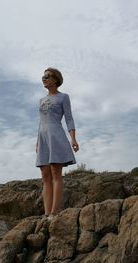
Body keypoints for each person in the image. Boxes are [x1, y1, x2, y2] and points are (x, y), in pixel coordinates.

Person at [36, 67, 79, 221]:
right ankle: (46, 214)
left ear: (55, 79)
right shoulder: (41, 100)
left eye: (47, 76)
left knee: (55, 172)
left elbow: (69, 118)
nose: (44, 78)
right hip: (43, 138)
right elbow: (41, 123)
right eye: (43, 76)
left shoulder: (63, 97)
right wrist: (37, 142)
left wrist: (73, 138)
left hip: (56, 135)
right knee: (45, 175)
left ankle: (54, 213)